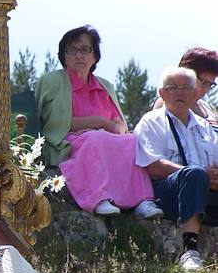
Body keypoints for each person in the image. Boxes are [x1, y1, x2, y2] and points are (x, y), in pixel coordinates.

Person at [36, 25, 162, 218]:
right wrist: (100, 122)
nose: (79, 55)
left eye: (85, 49)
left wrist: (107, 127)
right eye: (72, 50)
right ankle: (98, 198)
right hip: (68, 141)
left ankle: (143, 201)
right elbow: (56, 122)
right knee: (95, 138)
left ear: (95, 56)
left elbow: (120, 125)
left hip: (103, 138)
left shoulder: (105, 85)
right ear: (64, 55)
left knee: (132, 141)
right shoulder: (53, 81)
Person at [134, 66, 218, 272]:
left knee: (198, 175)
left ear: (195, 93)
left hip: (206, 192)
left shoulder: (206, 127)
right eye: (173, 87)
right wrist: (199, 174)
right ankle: (190, 250)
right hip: (168, 193)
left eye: (185, 87)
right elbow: (154, 166)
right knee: (194, 173)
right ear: (162, 93)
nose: (179, 92)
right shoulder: (152, 121)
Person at [153, 48, 218, 128]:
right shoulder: (167, 102)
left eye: (210, 85)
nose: (206, 90)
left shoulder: (209, 109)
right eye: (204, 83)